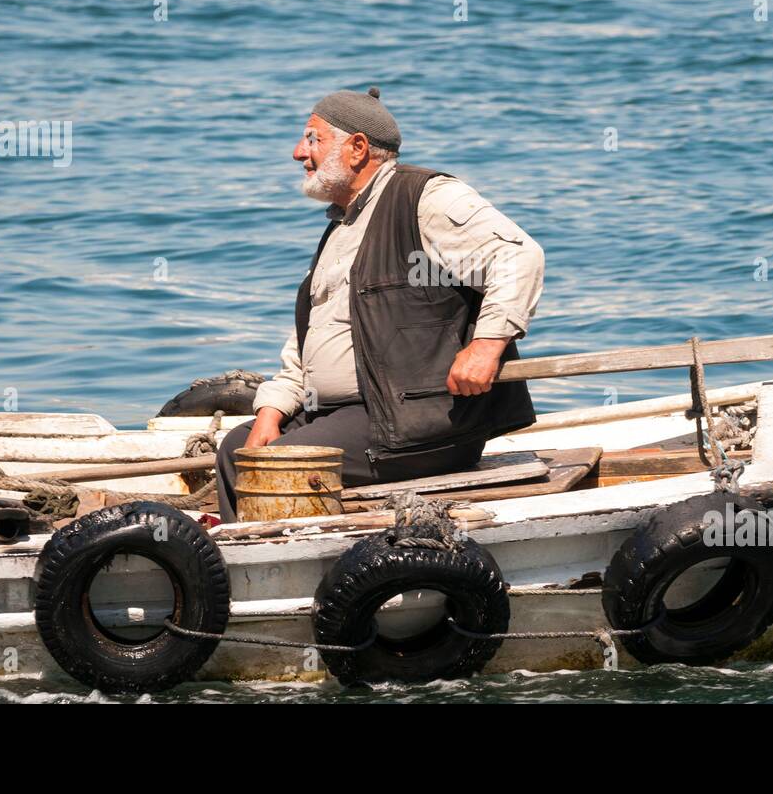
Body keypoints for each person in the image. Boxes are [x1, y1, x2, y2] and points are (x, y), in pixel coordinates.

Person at [214, 87, 544, 518]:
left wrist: (487, 345)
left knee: (280, 465)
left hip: (415, 424)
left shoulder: (425, 197)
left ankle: (291, 566)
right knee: (235, 449)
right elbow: (309, 342)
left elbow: (518, 256)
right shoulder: (343, 226)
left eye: (312, 139)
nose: (299, 152)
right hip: (345, 414)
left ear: (357, 148)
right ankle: (236, 569)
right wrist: (272, 410)